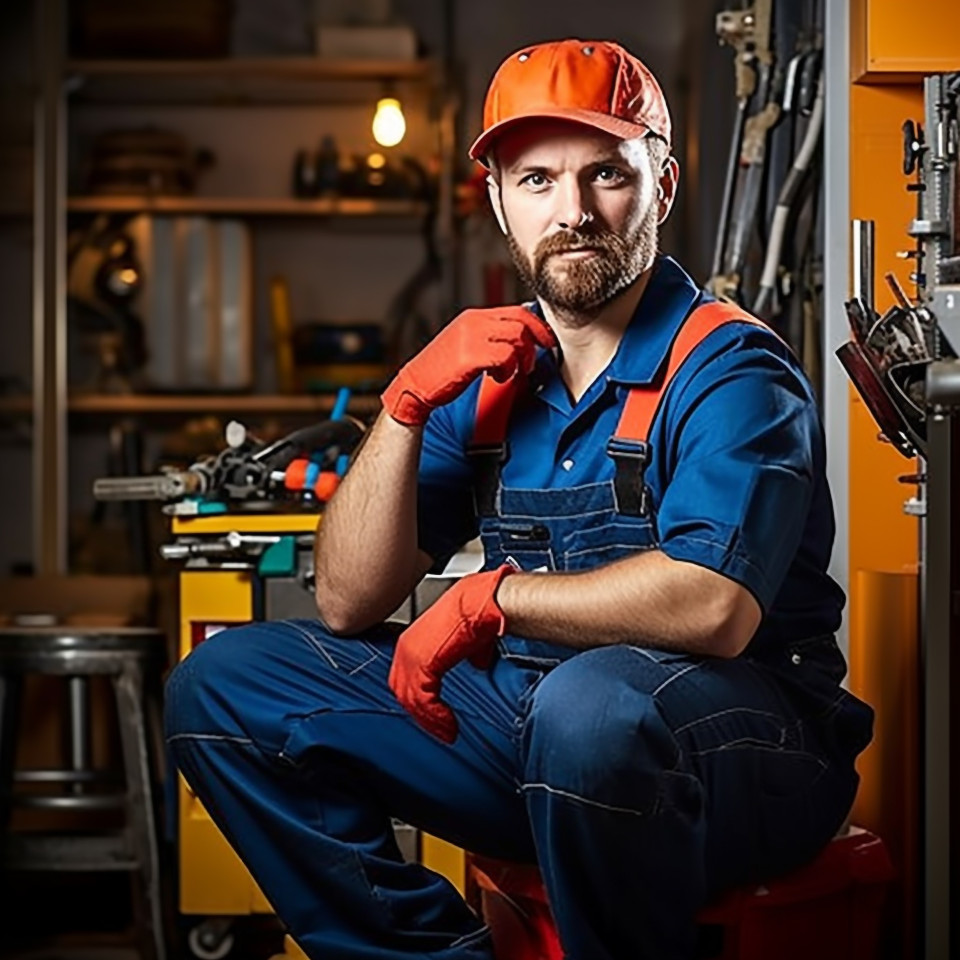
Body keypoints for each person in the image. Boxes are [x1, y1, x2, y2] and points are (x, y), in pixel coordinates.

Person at [165, 38, 874, 960]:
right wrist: (406, 404)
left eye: (606, 173)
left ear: (659, 189)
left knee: (592, 708)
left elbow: (714, 603)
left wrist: (490, 599)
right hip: (536, 734)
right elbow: (346, 597)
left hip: (747, 757)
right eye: (536, 179)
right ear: (498, 201)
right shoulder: (497, 373)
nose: (573, 212)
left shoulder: (730, 368)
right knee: (222, 686)